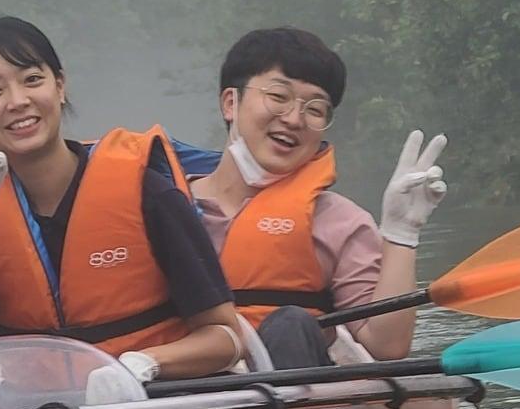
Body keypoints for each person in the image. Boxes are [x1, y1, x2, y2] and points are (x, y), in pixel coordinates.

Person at [0, 16, 244, 386]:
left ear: (60, 86)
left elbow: (227, 337)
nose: (18, 102)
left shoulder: (148, 192)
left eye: (32, 80)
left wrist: (140, 365)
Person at [187, 27, 448, 367]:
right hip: (181, 401)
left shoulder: (339, 222)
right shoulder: (162, 208)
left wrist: (401, 234)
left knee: (291, 325)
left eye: (315, 109)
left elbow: (386, 348)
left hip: (294, 405)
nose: (294, 119)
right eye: (278, 97)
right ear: (230, 103)